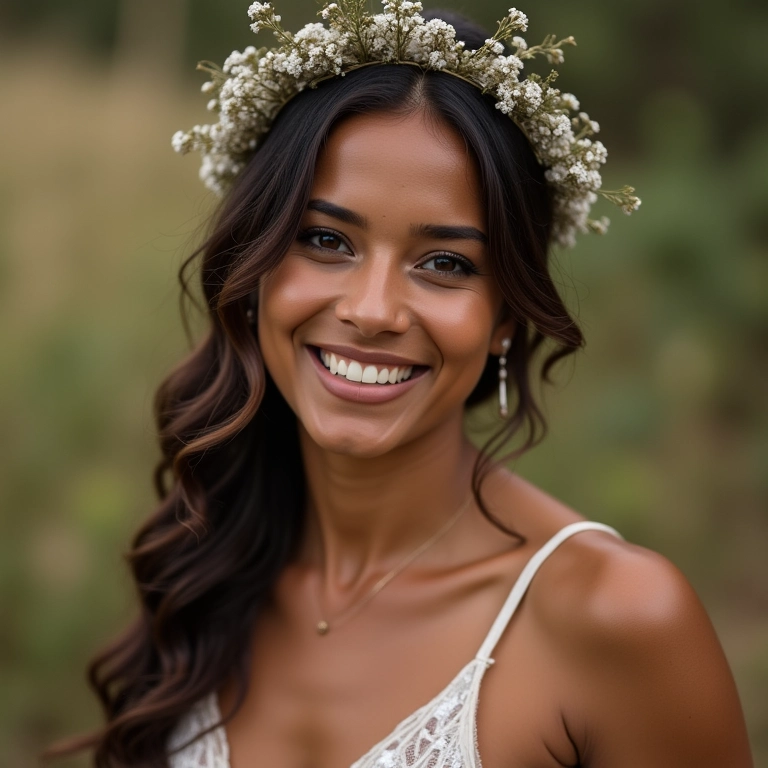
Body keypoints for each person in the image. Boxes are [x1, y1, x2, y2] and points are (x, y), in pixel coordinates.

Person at [56, 1, 753, 766]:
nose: (373, 310)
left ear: (506, 319)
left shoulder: (616, 618)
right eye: (326, 240)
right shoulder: (209, 559)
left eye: (445, 263)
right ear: (252, 270)